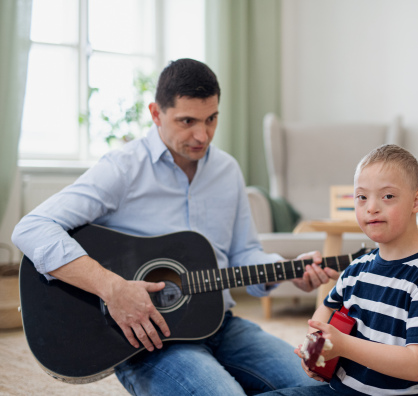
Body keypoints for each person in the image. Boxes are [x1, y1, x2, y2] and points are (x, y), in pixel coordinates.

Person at [12, 58, 337, 395]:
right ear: (156, 114)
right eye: (187, 121)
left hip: (221, 326)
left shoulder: (227, 171)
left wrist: (288, 271)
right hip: (148, 341)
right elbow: (32, 227)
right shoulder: (122, 169)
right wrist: (112, 288)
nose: (202, 135)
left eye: (211, 119)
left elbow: (245, 254)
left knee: (322, 384)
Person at [262, 144, 418, 396]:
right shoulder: (358, 267)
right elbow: (326, 308)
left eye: (387, 196)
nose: (371, 207)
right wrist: (314, 351)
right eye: (362, 197)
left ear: (416, 201)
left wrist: (344, 345)